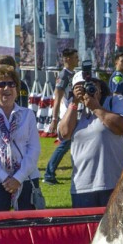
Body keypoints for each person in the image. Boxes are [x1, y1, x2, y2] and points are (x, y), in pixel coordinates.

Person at [59, 71, 123, 208]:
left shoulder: (115, 101)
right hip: (82, 186)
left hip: (115, 183)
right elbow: (64, 133)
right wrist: (74, 103)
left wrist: (96, 107)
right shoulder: (73, 108)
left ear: (100, 86)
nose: (86, 90)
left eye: (90, 85)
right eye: (80, 87)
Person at [0, 65, 41, 212]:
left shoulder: (27, 115)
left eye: (11, 84)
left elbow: (34, 149)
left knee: (27, 226)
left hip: (26, 178)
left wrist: (18, 177)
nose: (7, 88)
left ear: (17, 90)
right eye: (2, 84)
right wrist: (4, 178)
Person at [43, 47, 79, 185]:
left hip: (73, 113)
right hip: (67, 115)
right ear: (67, 59)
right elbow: (57, 98)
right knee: (64, 144)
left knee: (73, 143)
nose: (78, 59)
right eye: (75, 57)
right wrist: (54, 119)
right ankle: (48, 174)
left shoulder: (72, 74)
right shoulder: (63, 75)